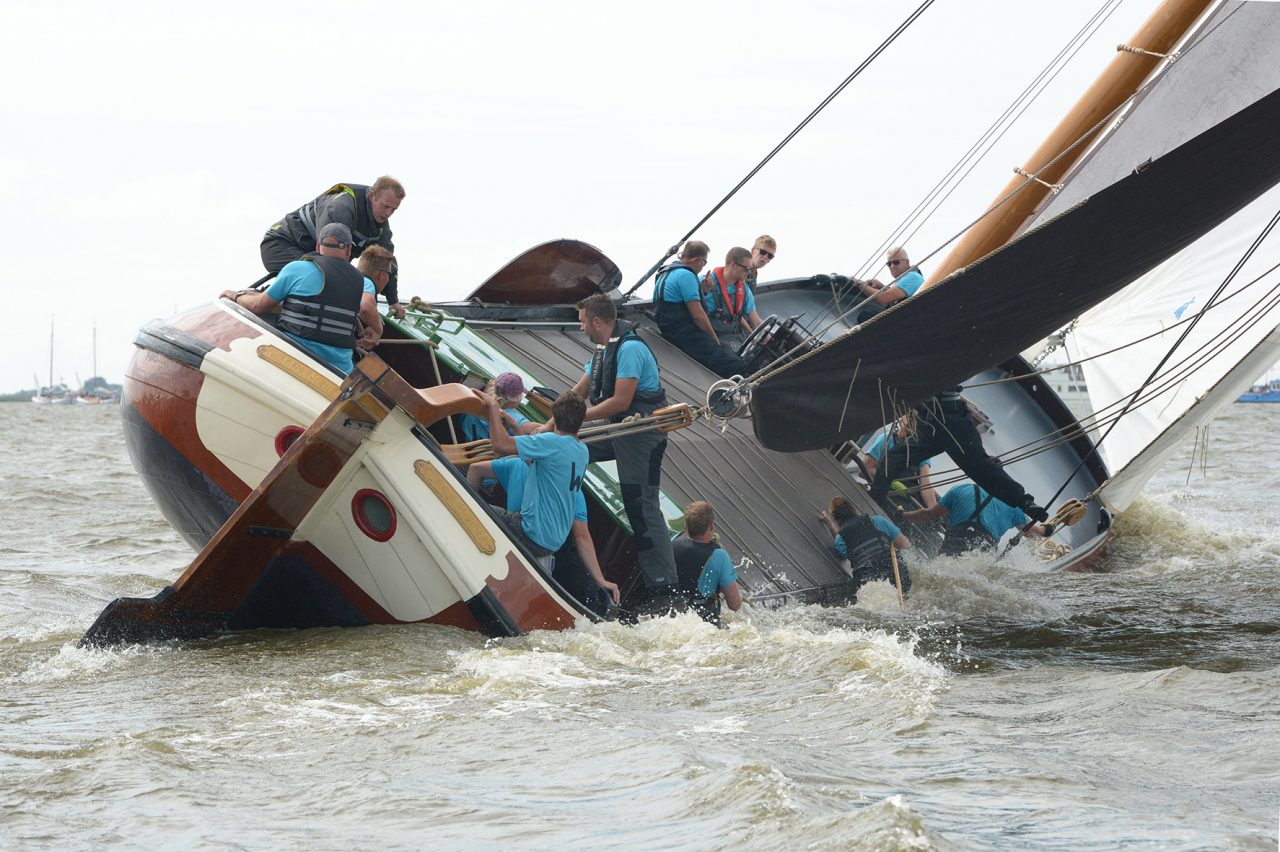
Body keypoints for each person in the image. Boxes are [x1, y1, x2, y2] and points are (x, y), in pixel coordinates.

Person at [561, 293, 679, 597]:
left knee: (641, 505)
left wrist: (573, 421)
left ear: (597, 321)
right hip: (617, 430)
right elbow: (577, 395)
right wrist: (551, 427)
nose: (582, 329)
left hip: (641, 433)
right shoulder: (602, 350)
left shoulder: (630, 349)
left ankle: (664, 586)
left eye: (583, 322)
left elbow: (621, 401)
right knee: (568, 451)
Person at [468, 421, 620, 610]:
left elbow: (474, 469)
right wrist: (600, 580)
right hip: (538, 550)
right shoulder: (572, 490)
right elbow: (582, 537)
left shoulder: (512, 464)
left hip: (508, 539)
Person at [870, 388, 1049, 524]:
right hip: (930, 421)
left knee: (980, 466)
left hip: (952, 419)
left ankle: (1025, 502)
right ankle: (874, 505)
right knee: (892, 459)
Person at [220, 223, 381, 375]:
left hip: (294, 357)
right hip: (339, 369)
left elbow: (258, 306)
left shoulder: (297, 269)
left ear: (318, 247)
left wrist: (235, 296)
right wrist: (377, 330)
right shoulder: (361, 281)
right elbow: (366, 306)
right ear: (348, 250)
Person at [467, 391, 589, 567]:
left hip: (529, 535)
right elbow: (529, 458)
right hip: (551, 543)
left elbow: (500, 444)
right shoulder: (582, 451)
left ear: (554, 417)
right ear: (580, 421)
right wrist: (515, 426)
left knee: (470, 507)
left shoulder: (552, 442)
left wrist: (493, 407)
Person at [261, 177, 407, 318]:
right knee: (324, 280)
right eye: (386, 206)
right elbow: (328, 258)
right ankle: (266, 302)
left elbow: (386, 259)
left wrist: (393, 300)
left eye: (393, 210)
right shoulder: (341, 207)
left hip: (314, 257)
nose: (388, 213)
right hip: (281, 244)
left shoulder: (381, 225)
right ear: (372, 195)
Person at [654, 241, 749, 378]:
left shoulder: (667, 272)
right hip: (685, 335)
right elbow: (698, 316)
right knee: (736, 365)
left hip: (669, 330)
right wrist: (715, 341)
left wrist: (703, 290)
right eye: (704, 262)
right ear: (697, 260)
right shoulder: (686, 276)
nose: (703, 266)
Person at [902, 483, 1046, 556]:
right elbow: (1033, 533)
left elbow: (927, 515)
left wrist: (903, 515)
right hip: (983, 551)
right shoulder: (1013, 505)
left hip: (955, 543)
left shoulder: (960, 489)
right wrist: (1048, 529)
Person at [819, 496, 912, 595]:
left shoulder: (840, 539)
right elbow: (905, 545)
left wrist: (829, 524)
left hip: (868, 580)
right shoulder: (878, 521)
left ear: (836, 519)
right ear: (853, 509)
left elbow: (844, 549)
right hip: (894, 571)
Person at [672, 500, 742, 626]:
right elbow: (735, 604)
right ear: (711, 526)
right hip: (705, 625)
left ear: (686, 525)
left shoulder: (672, 544)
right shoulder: (719, 556)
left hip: (675, 618)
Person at [862, 414, 937, 508]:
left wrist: (933, 509)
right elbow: (865, 469)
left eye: (915, 430)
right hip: (887, 495)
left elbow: (925, 484)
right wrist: (893, 484)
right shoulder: (886, 440)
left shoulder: (921, 451)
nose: (910, 431)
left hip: (910, 497)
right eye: (908, 426)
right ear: (901, 420)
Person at [701, 246, 764, 350]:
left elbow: (756, 321)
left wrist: (769, 341)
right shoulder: (705, 282)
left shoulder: (744, 290)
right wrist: (702, 290)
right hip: (711, 336)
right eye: (746, 269)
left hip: (732, 335)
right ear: (733, 265)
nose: (749, 272)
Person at [457, 372, 536, 444]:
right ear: (515, 399)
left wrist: (486, 389)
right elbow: (543, 431)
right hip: (490, 457)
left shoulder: (476, 402)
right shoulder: (514, 418)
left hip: (466, 447)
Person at [853, 246, 925, 323]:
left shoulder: (913, 277)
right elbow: (898, 298)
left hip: (908, 323)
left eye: (896, 262)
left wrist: (859, 283)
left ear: (907, 262)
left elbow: (883, 299)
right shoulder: (908, 277)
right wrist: (883, 287)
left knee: (865, 315)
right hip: (906, 319)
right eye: (889, 264)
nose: (892, 266)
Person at [355, 245, 394, 351]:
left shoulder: (351, 280)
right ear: (383, 275)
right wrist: (377, 330)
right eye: (389, 275)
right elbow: (366, 306)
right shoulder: (367, 283)